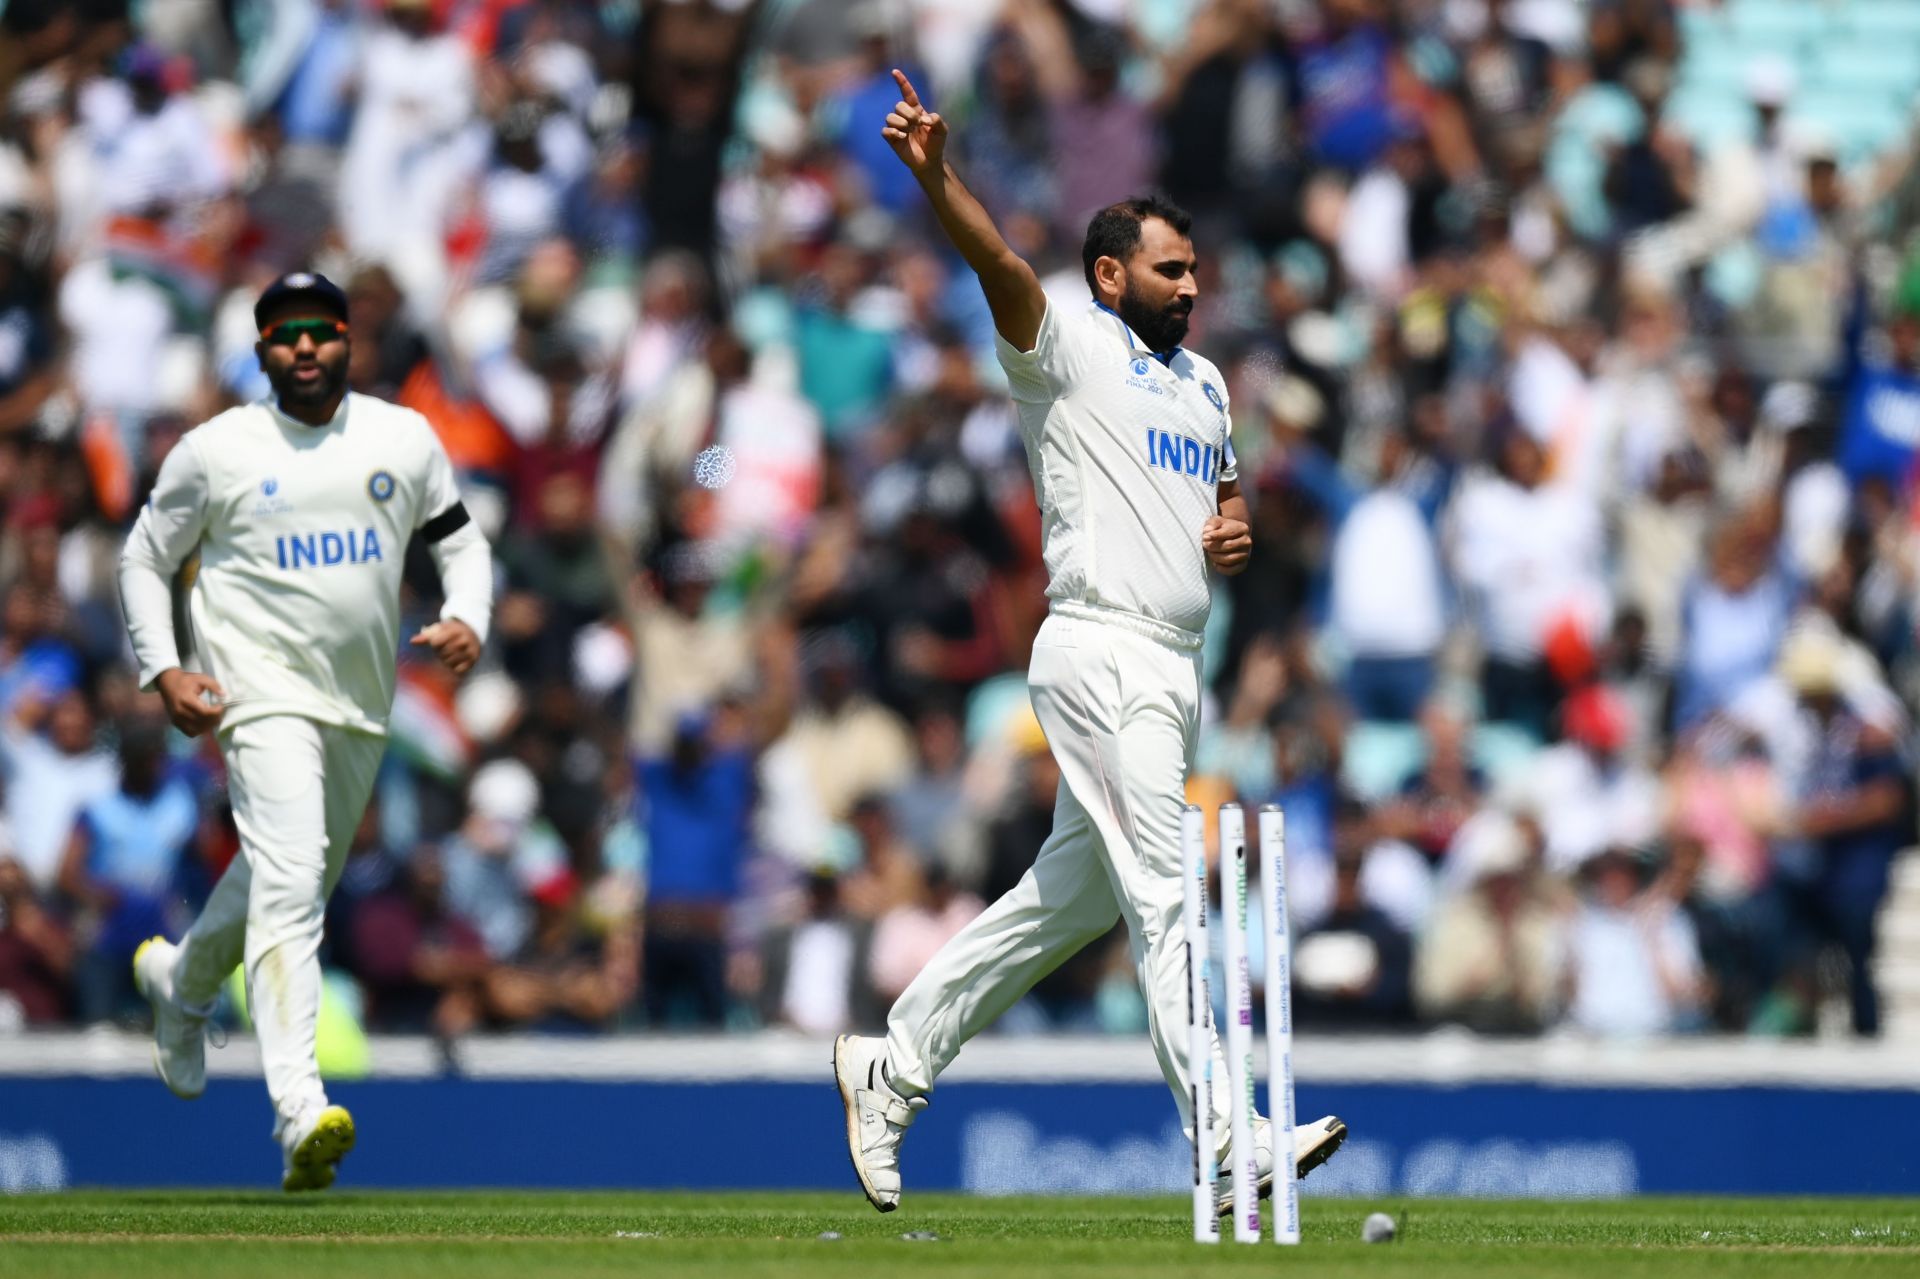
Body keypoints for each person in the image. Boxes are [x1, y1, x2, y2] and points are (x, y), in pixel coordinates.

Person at [832, 71, 1345, 1216]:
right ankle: (1225, 1132)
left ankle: (891, 1063)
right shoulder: (1066, 344)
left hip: (1174, 661)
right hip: (1100, 649)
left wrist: (1232, 527)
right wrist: (936, 176)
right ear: (1112, 274)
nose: (1192, 287)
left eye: (1197, 270)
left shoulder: (1208, 384)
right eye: (1172, 269)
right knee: (1167, 895)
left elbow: (1220, 500)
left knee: (1064, 905)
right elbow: (1002, 270)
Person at [116, 272, 494, 1192]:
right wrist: (163, 671)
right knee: (291, 890)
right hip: (258, 697)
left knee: (278, 873)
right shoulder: (218, 450)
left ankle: (181, 984)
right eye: (285, 337)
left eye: (321, 332)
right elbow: (144, 556)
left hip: (362, 707)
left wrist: (468, 613)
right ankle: (297, 1112)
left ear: (347, 341)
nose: (305, 350)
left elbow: (461, 541)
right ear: (261, 353)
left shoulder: (401, 438)